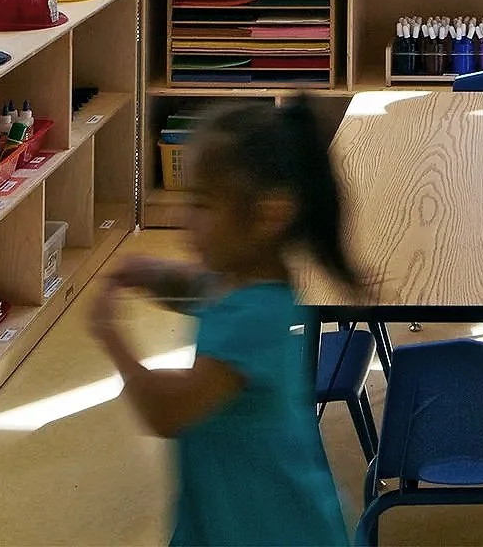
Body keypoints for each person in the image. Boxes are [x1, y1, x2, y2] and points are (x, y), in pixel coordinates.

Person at [88, 97, 353, 547]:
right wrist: (153, 274)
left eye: (204, 204)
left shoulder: (255, 316)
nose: (186, 219)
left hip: (268, 527)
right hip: (231, 511)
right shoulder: (250, 280)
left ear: (270, 214)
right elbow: (202, 289)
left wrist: (113, 338)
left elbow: (168, 412)